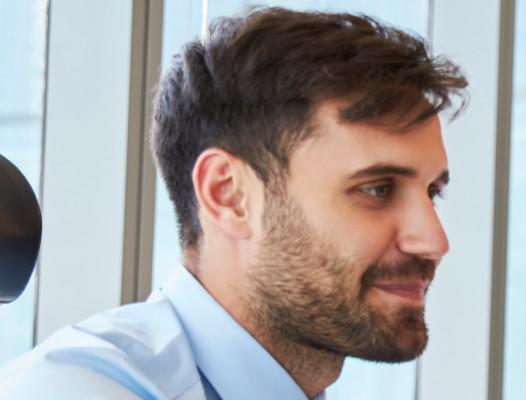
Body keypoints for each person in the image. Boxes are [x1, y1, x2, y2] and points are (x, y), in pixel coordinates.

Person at [0, 7, 466, 399]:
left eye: (432, 193)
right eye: (377, 190)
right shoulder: (78, 389)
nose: (434, 240)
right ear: (229, 195)